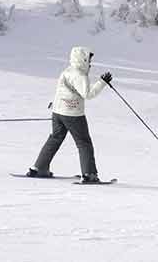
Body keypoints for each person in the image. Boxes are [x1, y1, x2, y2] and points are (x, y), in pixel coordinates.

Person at [27, 47, 112, 183]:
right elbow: (88, 94)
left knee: (55, 138)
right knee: (84, 143)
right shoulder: (80, 75)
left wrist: (54, 104)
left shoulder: (67, 71)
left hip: (58, 112)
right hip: (73, 114)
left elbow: (60, 90)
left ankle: (39, 168)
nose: (90, 63)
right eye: (89, 59)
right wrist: (102, 83)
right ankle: (89, 174)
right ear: (82, 59)